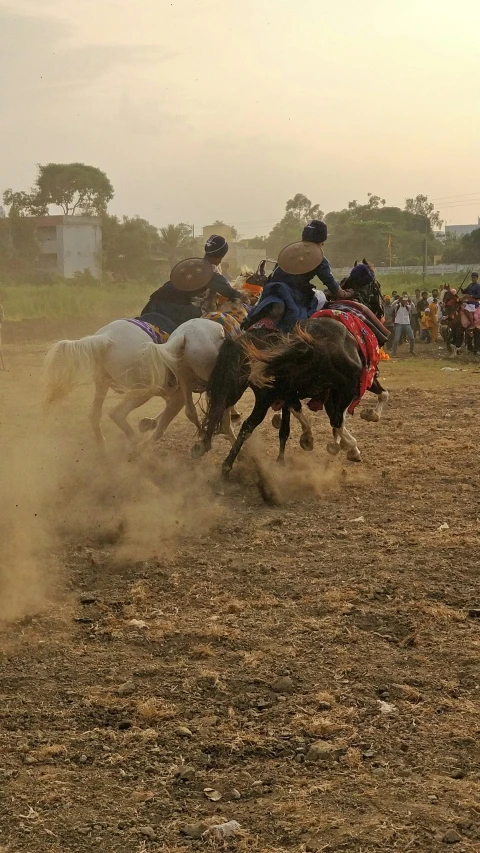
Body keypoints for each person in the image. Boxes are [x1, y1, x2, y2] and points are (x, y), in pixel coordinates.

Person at [244, 220, 351, 331]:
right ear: (322, 242)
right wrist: (344, 294)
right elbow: (331, 284)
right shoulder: (319, 258)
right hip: (293, 295)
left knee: (255, 310)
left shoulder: (289, 251)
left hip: (271, 290)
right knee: (316, 307)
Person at [141, 236, 242, 330]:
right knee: (203, 323)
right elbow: (231, 293)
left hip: (154, 302)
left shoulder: (192, 265)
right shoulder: (211, 273)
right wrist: (249, 299)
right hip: (175, 307)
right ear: (220, 257)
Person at [461, 272, 480, 354]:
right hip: (468, 302)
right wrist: (461, 289)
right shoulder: (470, 285)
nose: (473, 279)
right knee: (461, 308)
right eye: (472, 277)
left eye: (474, 277)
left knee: (466, 310)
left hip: (475, 303)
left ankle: (472, 323)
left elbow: (478, 295)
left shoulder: (478, 286)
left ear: (477, 278)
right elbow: (464, 291)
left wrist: (471, 296)